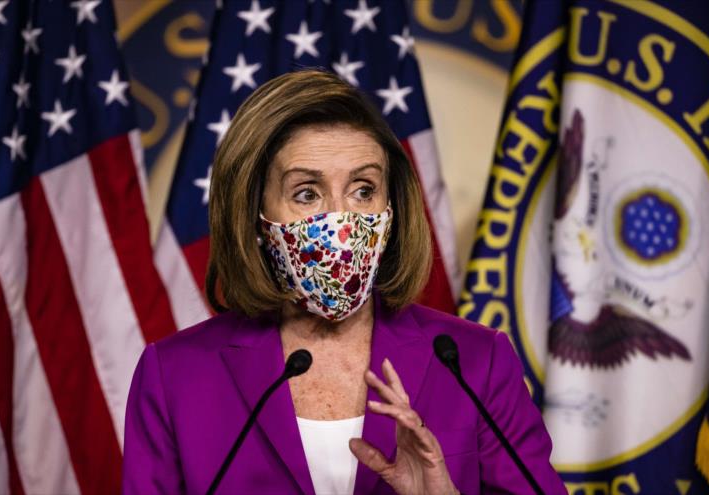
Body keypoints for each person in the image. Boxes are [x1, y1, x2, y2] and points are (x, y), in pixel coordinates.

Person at [122, 69, 566, 495]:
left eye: (363, 190)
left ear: (392, 208)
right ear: (255, 214)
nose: (341, 221)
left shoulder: (474, 362)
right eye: (307, 194)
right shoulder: (175, 376)